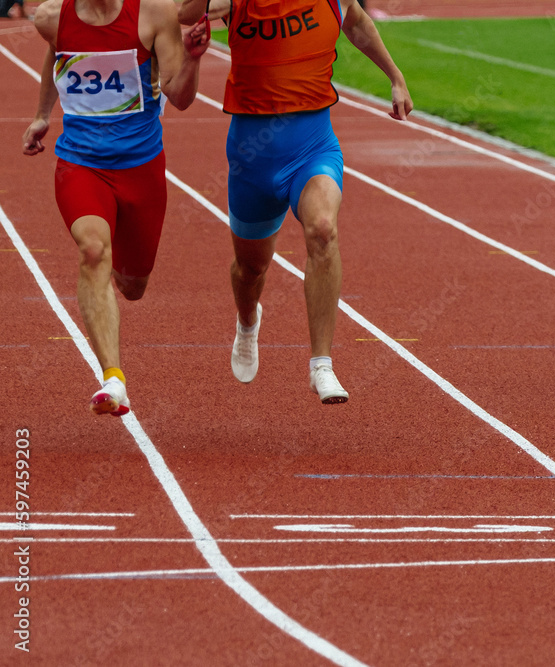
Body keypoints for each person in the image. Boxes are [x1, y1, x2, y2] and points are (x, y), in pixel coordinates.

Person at [178, 0, 412, 404]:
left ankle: (321, 364)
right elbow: (185, 12)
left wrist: (395, 77)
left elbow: (356, 24)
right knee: (251, 267)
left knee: (323, 230)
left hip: (312, 144)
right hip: (252, 155)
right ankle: (248, 321)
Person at [22, 0, 209, 416]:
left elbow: (179, 98)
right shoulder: (51, 17)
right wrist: (41, 115)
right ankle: (113, 378)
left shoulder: (154, 15)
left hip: (141, 166)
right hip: (80, 162)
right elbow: (58, 55)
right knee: (92, 251)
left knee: (132, 285)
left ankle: (124, 289)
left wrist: (193, 60)